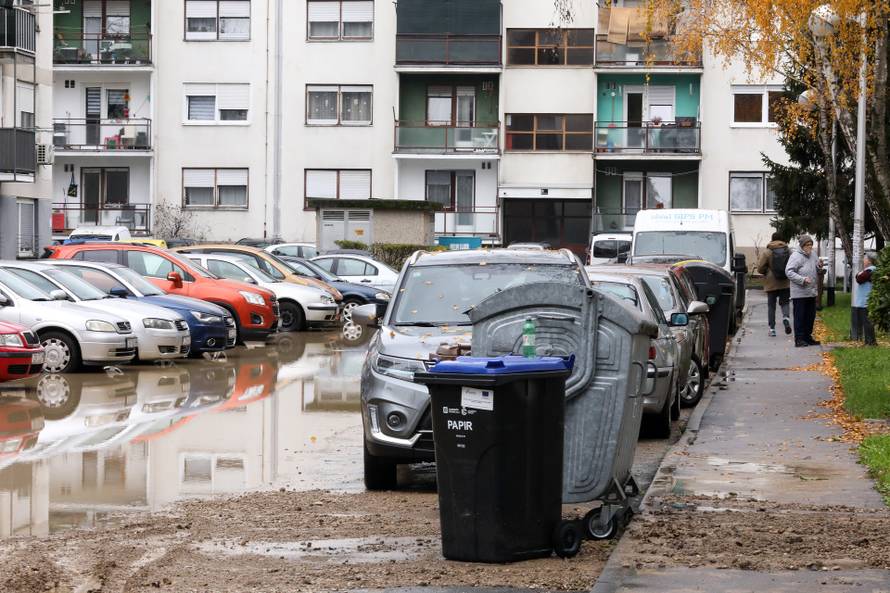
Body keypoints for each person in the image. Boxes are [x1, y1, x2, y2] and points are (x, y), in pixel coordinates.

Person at [785, 234, 823, 347]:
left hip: (811, 291)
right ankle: (799, 339)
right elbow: (789, 272)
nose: (810, 247)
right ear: (802, 246)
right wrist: (802, 279)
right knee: (800, 316)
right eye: (807, 245)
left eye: (811, 244)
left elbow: (816, 267)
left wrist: (819, 266)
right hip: (799, 293)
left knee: (810, 316)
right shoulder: (795, 256)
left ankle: (808, 337)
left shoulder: (813, 255)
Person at [756, 232, 792, 337]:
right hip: (784, 281)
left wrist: (766, 272)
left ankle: (772, 329)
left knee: (771, 306)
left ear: (772, 239)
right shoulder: (788, 251)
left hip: (771, 282)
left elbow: (760, 268)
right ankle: (786, 317)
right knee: (785, 302)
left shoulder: (767, 252)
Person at [853, 252, 878, 346]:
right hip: (864, 300)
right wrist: (858, 274)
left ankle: (871, 342)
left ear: (869, 261)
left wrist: (859, 274)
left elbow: (859, 278)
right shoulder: (868, 270)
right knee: (866, 321)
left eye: (865, 259)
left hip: (867, 301)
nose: (863, 260)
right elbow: (857, 276)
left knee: (868, 322)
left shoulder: (871, 270)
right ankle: (868, 341)